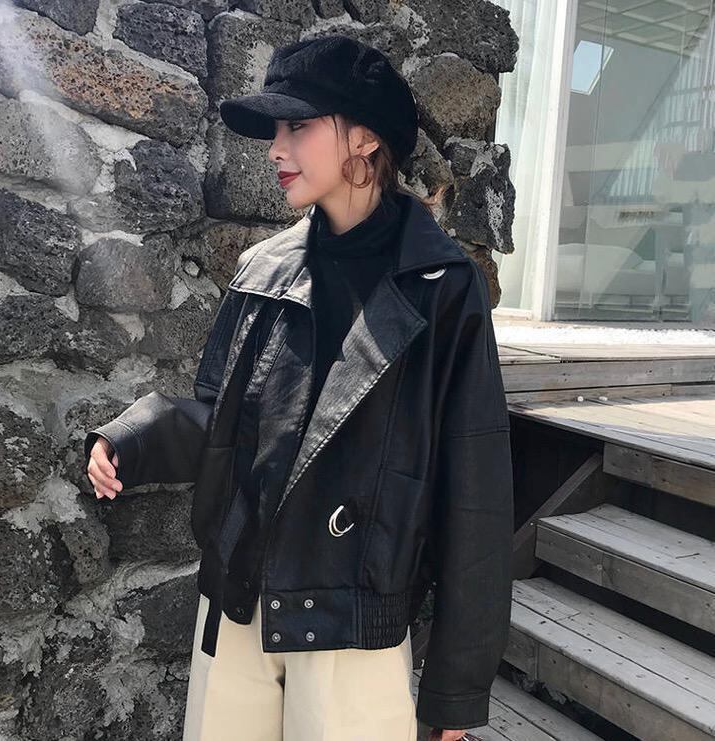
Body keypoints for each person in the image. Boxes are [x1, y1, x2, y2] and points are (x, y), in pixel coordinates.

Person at [85, 34, 512, 741]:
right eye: (275, 130)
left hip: (353, 623)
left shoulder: (442, 287)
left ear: (365, 137)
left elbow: (476, 490)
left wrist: (456, 692)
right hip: (240, 599)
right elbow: (224, 419)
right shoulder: (263, 269)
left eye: (298, 126)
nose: (275, 149)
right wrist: (131, 437)